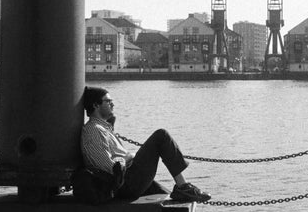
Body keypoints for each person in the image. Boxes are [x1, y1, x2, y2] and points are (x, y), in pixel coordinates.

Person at [80, 86, 211, 203]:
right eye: (108, 101)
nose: (112, 104)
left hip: (127, 179)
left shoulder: (103, 128)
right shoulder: (93, 130)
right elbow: (109, 168)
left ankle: (182, 193)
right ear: (96, 105)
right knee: (161, 136)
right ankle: (183, 186)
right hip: (124, 183)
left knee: (164, 195)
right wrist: (131, 156)